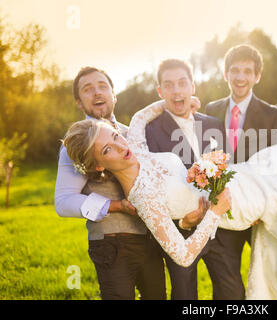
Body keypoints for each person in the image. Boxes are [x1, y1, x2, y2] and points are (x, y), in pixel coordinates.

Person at [62, 99, 277, 299]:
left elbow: (140, 115)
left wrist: (180, 102)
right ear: (98, 166)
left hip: (235, 174)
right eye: (109, 148)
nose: (121, 147)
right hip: (231, 204)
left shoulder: (137, 149)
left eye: (115, 135)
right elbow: (183, 255)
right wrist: (213, 214)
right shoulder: (145, 200)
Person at [54, 67, 202, 300]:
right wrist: (117, 206)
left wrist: (180, 102)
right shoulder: (77, 145)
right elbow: (63, 202)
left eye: (102, 86)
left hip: (149, 239)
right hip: (113, 244)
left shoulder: (130, 134)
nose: (96, 92)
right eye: (87, 89)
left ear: (114, 95)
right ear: (79, 102)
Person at [144, 59, 233, 300]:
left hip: (221, 230)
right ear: (160, 91)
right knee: (184, 297)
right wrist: (184, 222)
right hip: (182, 232)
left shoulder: (213, 124)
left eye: (182, 83)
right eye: (169, 85)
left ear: (192, 86)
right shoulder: (150, 132)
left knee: (233, 293)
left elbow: (227, 168)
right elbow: (154, 188)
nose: (177, 91)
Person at [205, 44, 277, 299]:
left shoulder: (273, 116)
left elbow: (275, 167)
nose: (240, 77)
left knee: (269, 281)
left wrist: (265, 207)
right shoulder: (210, 110)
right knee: (228, 290)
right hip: (224, 212)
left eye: (247, 71)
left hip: (259, 214)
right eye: (235, 71)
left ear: (257, 76)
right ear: (226, 74)